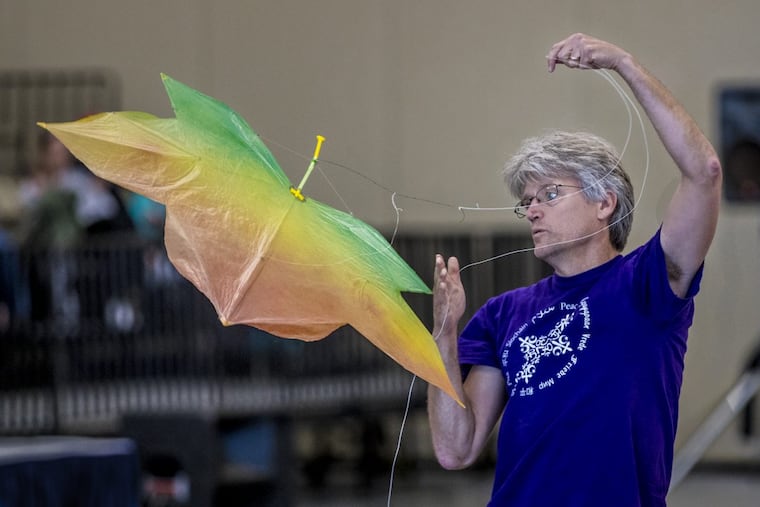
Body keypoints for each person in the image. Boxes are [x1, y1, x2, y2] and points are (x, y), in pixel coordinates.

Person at [427, 33, 722, 507]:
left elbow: (705, 171)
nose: (534, 212)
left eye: (549, 194)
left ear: (604, 203)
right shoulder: (502, 314)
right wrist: (443, 335)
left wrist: (624, 63)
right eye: (527, 203)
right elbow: (454, 450)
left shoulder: (647, 286)